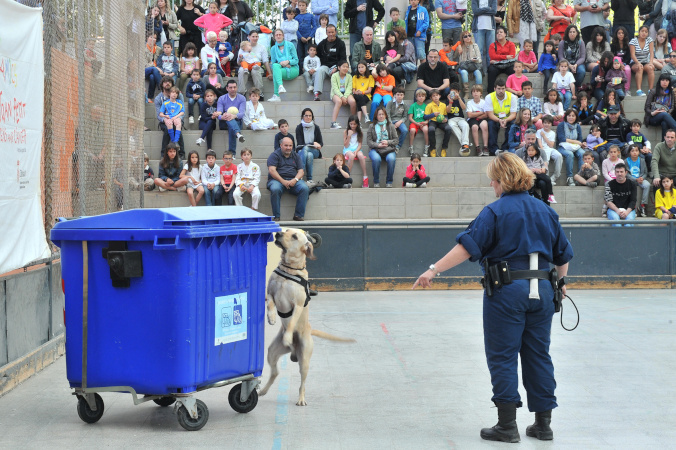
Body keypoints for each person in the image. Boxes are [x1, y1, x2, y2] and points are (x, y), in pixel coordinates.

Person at [413, 152, 573, 444]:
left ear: (501, 180)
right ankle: (543, 424)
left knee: (503, 355)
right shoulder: (546, 211)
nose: (492, 185)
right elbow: (563, 255)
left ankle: (507, 426)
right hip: (543, 291)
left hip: (508, 291)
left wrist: (433, 269)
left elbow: (467, 248)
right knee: (539, 354)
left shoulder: (495, 211)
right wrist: (561, 283)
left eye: (493, 180)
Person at [267, 137, 309, 221]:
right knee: (275, 189)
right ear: (281, 145)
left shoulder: (296, 155)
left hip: (293, 180)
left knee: (304, 188)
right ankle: (276, 216)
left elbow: (301, 171)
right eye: (286, 145)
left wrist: (295, 180)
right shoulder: (274, 155)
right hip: (277, 180)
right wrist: (283, 181)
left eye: (290, 145)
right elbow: (272, 170)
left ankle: (298, 215)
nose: (288, 148)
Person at [485, 77, 518, 155]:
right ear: (494, 88)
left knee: (513, 124)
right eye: (499, 88)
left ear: (506, 88)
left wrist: (506, 120)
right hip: (495, 118)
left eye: (503, 88)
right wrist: (499, 120)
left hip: (508, 118)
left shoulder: (512, 97)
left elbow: (513, 114)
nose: (501, 91)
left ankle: (506, 148)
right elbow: (490, 114)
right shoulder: (489, 97)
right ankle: (494, 149)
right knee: (491, 124)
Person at [367, 106, 399, 187]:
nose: (381, 116)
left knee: (391, 159)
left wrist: (388, 142)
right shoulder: (371, 126)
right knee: (376, 159)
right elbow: (369, 141)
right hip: (375, 149)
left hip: (389, 149)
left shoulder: (390, 125)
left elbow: (396, 140)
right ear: (376, 116)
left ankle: (389, 182)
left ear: (385, 115)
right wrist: (378, 145)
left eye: (382, 114)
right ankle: (376, 182)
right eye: (379, 114)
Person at [314, 25, 347, 100]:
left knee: (337, 75)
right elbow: (317, 56)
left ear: (335, 32)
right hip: (325, 66)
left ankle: (337, 95)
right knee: (319, 70)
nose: (331, 34)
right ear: (326, 33)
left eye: (332, 32)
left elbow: (343, 59)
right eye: (329, 32)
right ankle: (316, 93)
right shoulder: (322, 44)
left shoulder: (341, 43)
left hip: (337, 66)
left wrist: (336, 67)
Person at [237, 30, 272, 99]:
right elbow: (238, 63)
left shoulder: (262, 47)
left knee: (255, 70)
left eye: (256, 36)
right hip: (245, 66)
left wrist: (270, 73)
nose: (255, 38)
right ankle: (242, 93)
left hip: (256, 66)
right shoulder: (243, 46)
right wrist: (240, 59)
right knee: (241, 70)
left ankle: (259, 92)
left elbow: (265, 61)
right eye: (253, 36)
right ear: (249, 37)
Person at [557, 108, 587, 186]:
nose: (571, 117)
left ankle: (580, 177)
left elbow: (580, 139)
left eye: (573, 116)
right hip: (563, 146)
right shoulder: (561, 125)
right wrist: (576, 142)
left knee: (582, 153)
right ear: (566, 116)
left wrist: (581, 143)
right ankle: (569, 177)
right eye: (569, 115)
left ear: (576, 117)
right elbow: (562, 139)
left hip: (575, 147)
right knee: (570, 154)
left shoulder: (577, 126)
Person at [268, 29, 300, 102]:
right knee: (275, 66)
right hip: (281, 69)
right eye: (276, 35)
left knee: (276, 71)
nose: (278, 36)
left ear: (283, 36)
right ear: (274, 37)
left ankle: (276, 95)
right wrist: (283, 65)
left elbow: (296, 60)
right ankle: (280, 86)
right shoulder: (273, 49)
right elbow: (273, 63)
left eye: (280, 34)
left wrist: (288, 62)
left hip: (293, 69)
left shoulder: (290, 45)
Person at [216, 79, 247, 153]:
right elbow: (219, 113)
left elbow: (242, 113)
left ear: (237, 88)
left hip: (237, 121)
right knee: (228, 119)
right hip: (224, 122)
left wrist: (234, 116)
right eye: (230, 87)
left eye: (234, 87)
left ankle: (232, 153)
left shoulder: (242, 98)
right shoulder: (221, 98)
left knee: (231, 123)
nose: (233, 89)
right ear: (227, 88)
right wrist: (221, 117)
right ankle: (238, 134)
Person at [295, 108, 324, 185]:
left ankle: (300, 174)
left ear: (312, 117)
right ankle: (309, 179)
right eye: (306, 115)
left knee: (307, 149)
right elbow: (300, 144)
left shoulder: (316, 127)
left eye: (310, 116)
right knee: (309, 155)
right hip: (302, 150)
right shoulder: (299, 128)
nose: (308, 117)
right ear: (302, 117)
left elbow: (321, 143)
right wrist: (313, 143)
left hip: (315, 151)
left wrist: (319, 145)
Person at [487, 27, 517, 94]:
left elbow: (512, 56)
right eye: (497, 33)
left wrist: (498, 59)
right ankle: (491, 93)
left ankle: (514, 92)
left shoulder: (511, 44)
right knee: (491, 70)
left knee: (513, 70)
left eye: (501, 32)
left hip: (507, 65)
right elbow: (492, 56)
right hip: (496, 65)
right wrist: (506, 57)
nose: (499, 34)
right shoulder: (492, 45)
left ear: (505, 34)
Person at [625, 144, 651, 216]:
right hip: (631, 179)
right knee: (630, 186)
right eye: (632, 151)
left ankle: (642, 205)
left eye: (636, 151)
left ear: (639, 152)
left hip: (640, 179)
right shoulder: (626, 161)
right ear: (629, 152)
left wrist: (642, 178)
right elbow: (626, 174)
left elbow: (645, 172)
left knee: (647, 185)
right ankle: (633, 206)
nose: (634, 152)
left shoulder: (642, 160)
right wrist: (635, 179)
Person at [425, 89, 453, 157]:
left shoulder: (443, 105)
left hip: (441, 121)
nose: (435, 97)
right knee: (431, 129)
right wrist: (433, 115)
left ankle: (444, 148)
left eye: (437, 95)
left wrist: (446, 119)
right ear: (431, 98)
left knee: (448, 129)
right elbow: (425, 116)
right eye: (433, 96)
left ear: (439, 96)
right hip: (433, 121)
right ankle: (432, 149)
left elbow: (445, 115)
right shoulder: (429, 105)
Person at [471, 0, 497, 72]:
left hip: (490, 28)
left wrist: (481, 11)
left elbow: (494, 11)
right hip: (478, 28)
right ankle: (480, 71)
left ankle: (490, 71)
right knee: (479, 51)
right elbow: (475, 11)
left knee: (490, 52)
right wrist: (488, 8)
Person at [630, 25, 656, 96]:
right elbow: (632, 55)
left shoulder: (649, 40)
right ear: (639, 32)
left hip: (645, 61)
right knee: (639, 67)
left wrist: (651, 62)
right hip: (635, 62)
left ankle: (650, 91)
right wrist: (638, 63)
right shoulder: (633, 41)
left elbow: (651, 53)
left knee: (651, 68)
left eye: (646, 32)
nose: (644, 33)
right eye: (642, 31)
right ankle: (639, 90)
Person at [342, 115, 369, 187]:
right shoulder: (346, 132)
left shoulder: (360, 133)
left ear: (357, 124)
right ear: (349, 124)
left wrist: (356, 151)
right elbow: (346, 145)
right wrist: (349, 136)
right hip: (348, 149)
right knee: (351, 156)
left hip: (357, 149)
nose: (352, 126)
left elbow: (360, 144)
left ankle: (365, 177)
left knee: (361, 156)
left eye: (354, 124)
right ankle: (347, 176)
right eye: (351, 124)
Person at [537, 115, 564, 184]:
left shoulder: (552, 133)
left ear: (551, 124)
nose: (546, 124)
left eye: (548, 123)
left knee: (559, 156)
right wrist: (542, 151)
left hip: (550, 149)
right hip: (542, 149)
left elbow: (551, 145)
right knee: (546, 160)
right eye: (545, 123)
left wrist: (544, 136)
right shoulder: (539, 131)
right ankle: (547, 178)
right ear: (542, 123)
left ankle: (555, 176)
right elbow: (540, 143)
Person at [558, 25, 586, 89]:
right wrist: (569, 65)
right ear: (567, 33)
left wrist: (576, 65)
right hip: (566, 63)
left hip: (578, 63)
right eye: (570, 32)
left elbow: (582, 57)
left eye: (574, 32)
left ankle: (576, 87)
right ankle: (568, 87)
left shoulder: (581, 42)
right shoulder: (562, 43)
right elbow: (561, 57)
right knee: (566, 71)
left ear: (577, 33)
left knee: (581, 71)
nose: (572, 34)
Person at [330, 61, 356, 128]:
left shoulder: (349, 76)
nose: (345, 68)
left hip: (346, 94)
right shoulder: (334, 76)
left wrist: (345, 96)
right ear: (339, 67)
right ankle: (333, 123)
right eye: (343, 66)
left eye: (347, 67)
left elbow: (349, 88)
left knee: (352, 102)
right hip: (336, 94)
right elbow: (335, 89)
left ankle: (353, 122)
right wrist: (342, 97)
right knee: (339, 101)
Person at [446, 83, 471, 155]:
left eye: (455, 92)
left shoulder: (461, 99)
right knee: (452, 126)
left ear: (459, 92)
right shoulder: (448, 99)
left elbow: (464, 108)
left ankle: (464, 145)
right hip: (451, 119)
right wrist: (450, 102)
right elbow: (448, 111)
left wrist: (459, 98)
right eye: (452, 92)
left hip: (460, 118)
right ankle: (465, 144)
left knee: (466, 125)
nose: (454, 94)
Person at [457, 32, 483, 98]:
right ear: (462, 38)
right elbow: (456, 59)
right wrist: (458, 47)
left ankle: (479, 93)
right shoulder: (460, 47)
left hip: (473, 65)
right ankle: (467, 92)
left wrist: (475, 60)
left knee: (478, 73)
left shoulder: (475, 46)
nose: (468, 37)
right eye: (465, 36)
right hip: (463, 67)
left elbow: (480, 59)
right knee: (464, 72)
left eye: (469, 35)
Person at [467, 84, 489, 156]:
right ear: (472, 94)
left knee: (484, 125)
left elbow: (486, 114)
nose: (475, 93)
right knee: (474, 127)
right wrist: (481, 112)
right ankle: (477, 147)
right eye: (474, 91)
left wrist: (477, 115)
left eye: (477, 91)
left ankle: (485, 147)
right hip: (472, 119)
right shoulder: (469, 102)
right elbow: (470, 115)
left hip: (481, 118)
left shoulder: (484, 102)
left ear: (481, 93)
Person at [611, 26, 633, 95]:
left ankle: (626, 90)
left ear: (625, 34)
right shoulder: (612, 45)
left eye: (622, 33)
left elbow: (628, 58)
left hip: (625, 64)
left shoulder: (627, 45)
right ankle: (615, 89)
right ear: (616, 35)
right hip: (615, 64)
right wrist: (619, 64)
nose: (621, 34)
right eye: (619, 33)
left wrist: (624, 64)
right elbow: (612, 56)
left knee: (628, 70)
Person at [408, 88, 431, 156]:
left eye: (423, 96)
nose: (421, 98)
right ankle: (411, 147)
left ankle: (426, 148)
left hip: (422, 122)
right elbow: (410, 118)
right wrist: (416, 123)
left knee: (426, 130)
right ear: (416, 97)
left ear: (425, 97)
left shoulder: (426, 106)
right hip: (414, 122)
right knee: (412, 130)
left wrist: (426, 122)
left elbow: (428, 118)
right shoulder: (413, 106)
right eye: (419, 96)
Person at [386, 87, 409, 151]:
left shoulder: (405, 105)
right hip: (390, 120)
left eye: (401, 95)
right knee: (388, 130)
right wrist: (391, 123)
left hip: (399, 121)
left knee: (405, 131)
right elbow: (387, 114)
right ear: (394, 95)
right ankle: (390, 145)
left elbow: (405, 116)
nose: (399, 96)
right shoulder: (390, 103)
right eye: (398, 94)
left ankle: (398, 146)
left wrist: (400, 122)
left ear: (403, 96)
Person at [295, 0, 316, 67]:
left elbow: (314, 26)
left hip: (308, 38)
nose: (301, 7)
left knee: (308, 54)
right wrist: (301, 37)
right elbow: (296, 29)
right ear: (298, 6)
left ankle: (308, 68)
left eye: (303, 5)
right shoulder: (296, 17)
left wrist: (310, 36)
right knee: (300, 54)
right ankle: (301, 70)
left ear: (306, 6)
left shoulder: (310, 16)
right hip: (300, 39)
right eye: (300, 5)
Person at [145, 34, 162, 103]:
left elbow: (160, 61)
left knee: (152, 77)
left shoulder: (159, 49)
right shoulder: (143, 48)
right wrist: (156, 68)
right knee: (154, 69)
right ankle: (162, 87)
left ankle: (150, 97)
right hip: (145, 69)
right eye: (151, 37)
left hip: (154, 72)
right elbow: (144, 64)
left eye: (155, 38)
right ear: (147, 38)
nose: (153, 39)